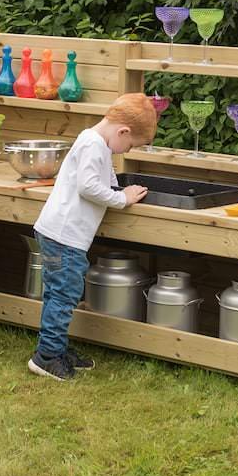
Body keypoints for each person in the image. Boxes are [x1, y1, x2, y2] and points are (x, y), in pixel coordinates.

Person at [29, 93, 156, 381]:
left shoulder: (94, 141)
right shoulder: (94, 144)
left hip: (60, 234)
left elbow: (97, 177)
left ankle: (56, 348)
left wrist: (116, 186)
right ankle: (46, 357)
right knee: (63, 296)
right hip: (65, 237)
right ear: (123, 131)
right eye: (131, 145)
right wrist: (121, 198)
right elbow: (88, 187)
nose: (127, 151)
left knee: (58, 294)